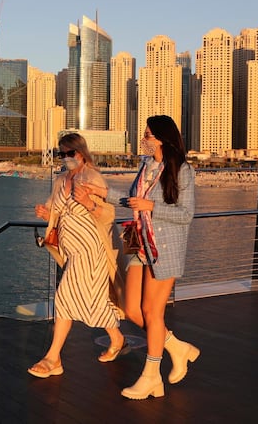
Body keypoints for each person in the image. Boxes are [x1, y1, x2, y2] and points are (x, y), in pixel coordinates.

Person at [28, 133, 127, 378]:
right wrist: (46, 214)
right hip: (70, 248)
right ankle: (117, 337)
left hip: (89, 248)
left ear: (80, 153)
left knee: (63, 297)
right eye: (61, 154)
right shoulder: (61, 179)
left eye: (68, 153)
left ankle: (53, 358)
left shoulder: (92, 176)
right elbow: (56, 211)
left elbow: (108, 213)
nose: (64, 158)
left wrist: (88, 202)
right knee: (92, 299)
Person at [119, 115, 199, 400]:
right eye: (145, 134)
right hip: (140, 245)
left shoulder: (182, 170)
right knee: (131, 311)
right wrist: (100, 196)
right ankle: (177, 347)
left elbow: (186, 214)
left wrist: (150, 206)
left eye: (149, 135)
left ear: (163, 138)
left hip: (164, 249)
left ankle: (151, 376)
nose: (144, 139)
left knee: (153, 313)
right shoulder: (146, 166)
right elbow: (132, 200)